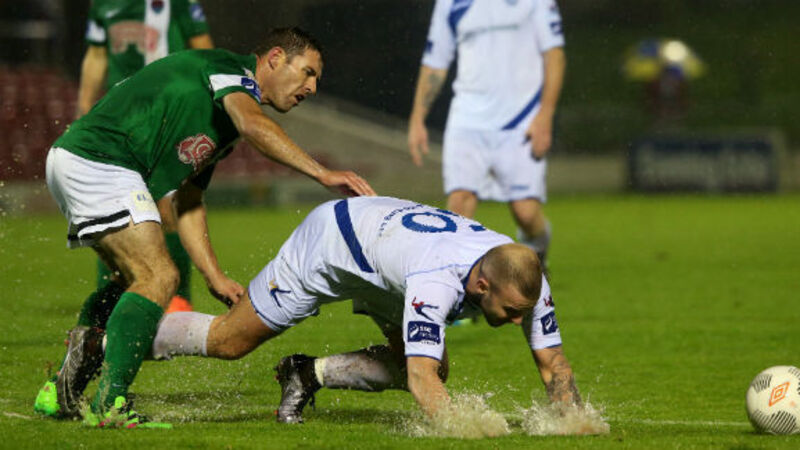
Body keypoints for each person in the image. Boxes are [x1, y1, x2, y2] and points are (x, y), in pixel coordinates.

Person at [33, 27, 376, 428]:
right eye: (308, 72)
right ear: (275, 58)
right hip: (101, 160)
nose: (312, 87)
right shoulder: (230, 72)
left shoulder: (224, 123)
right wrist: (322, 173)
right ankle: (110, 406)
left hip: (86, 160)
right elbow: (254, 125)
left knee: (130, 281)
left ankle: (61, 391)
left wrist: (214, 276)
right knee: (159, 277)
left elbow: (189, 200)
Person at [147, 196, 581, 424]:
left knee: (429, 364)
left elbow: (553, 364)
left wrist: (572, 420)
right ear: (482, 285)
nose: (519, 320)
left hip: (389, 266)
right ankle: (123, 339)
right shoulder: (437, 282)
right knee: (229, 341)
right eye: (512, 311)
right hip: (330, 246)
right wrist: (464, 427)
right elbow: (422, 380)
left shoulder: (524, 276)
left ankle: (305, 374)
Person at [78, 0, 215, 314]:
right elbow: (97, 55)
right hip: (120, 113)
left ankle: (177, 299)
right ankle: (112, 302)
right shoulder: (102, 4)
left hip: (167, 107)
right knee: (113, 208)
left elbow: (203, 48)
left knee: (167, 203)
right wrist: (85, 111)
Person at [407, 0, 566, 267]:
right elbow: (435, 62)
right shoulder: (449, 3)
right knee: (459, 206)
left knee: (526, 213)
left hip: (521, 119)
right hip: (467, 120)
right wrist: (417, 118)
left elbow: (554, 55)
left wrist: (545, 115)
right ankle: (455, 282)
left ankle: (539, 259)